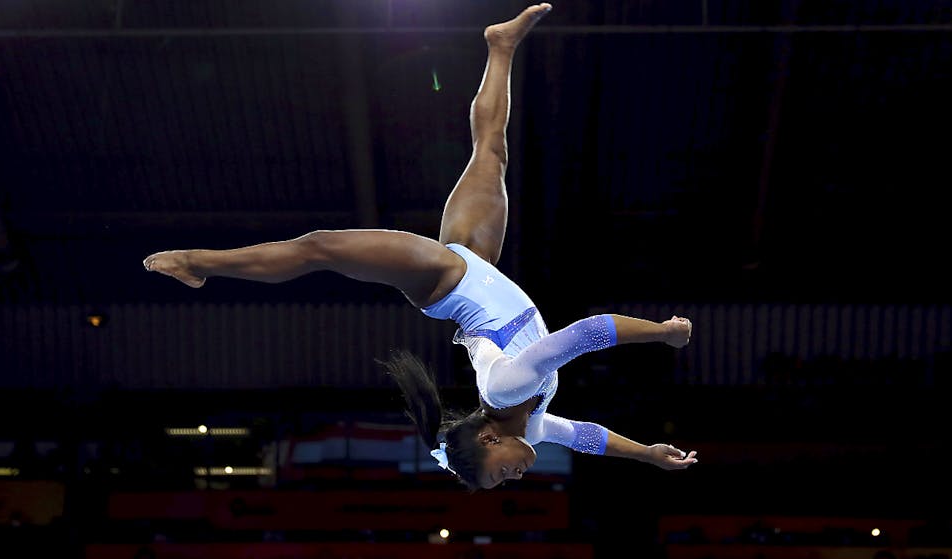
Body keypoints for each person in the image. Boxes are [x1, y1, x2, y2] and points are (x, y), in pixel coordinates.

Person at [143, 3, 698, 492]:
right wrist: (647, 454)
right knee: (492, 150)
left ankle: (199, 263)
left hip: (445, 281)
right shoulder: (528, 425)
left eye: (499, 473)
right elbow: (586, 437)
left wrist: (662, 333)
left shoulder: (509, 390)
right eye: (507, 481)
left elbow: (586, 333)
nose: (516, 475)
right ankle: (501, 45)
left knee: (320, 247)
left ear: (487, 439)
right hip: (475, 263)